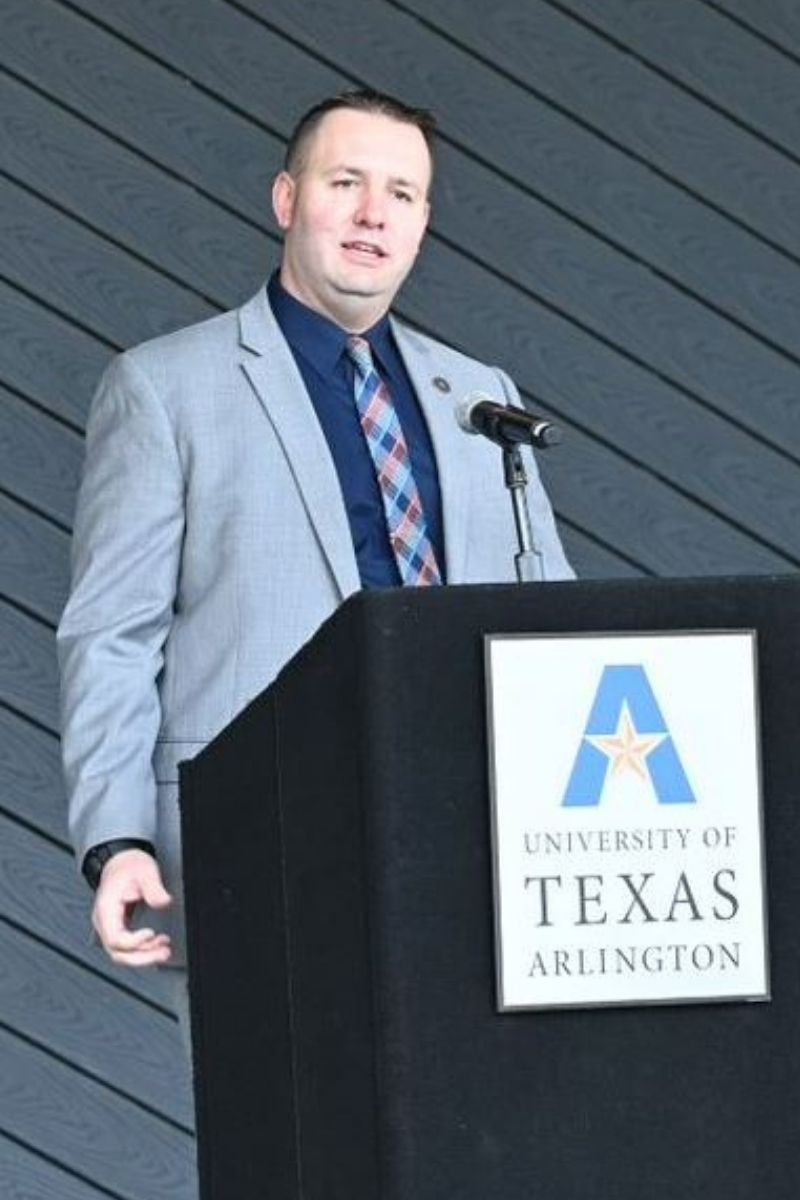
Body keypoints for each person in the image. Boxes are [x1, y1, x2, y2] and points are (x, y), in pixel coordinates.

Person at [57, 89, 573, 1003]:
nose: (376, 212)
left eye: (403, 194)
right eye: (348, 182)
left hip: (477, 853)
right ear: (287, 201)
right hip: (261, 845)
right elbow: (111, 634)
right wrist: (117, 838)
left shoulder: (479, 396)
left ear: (421, 224)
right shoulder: (165, 388)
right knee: (280, 1143)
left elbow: (555, 626)